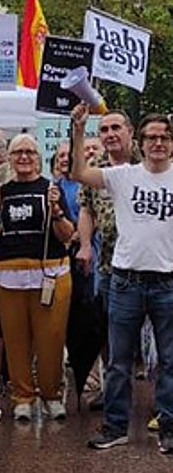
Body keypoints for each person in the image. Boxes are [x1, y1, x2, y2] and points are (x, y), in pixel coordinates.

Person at [72, 106, 173, 453]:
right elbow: (78, 172)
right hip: (125, 280)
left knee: (169, 359)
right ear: (141, 142)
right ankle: (115, 426)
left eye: (164, 137)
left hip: (168, 282)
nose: (158, 142)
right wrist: (80, 128)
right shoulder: (123, 175)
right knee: (118, 360)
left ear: (171, 144)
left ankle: (169, 427)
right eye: (152, 137)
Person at [0, 134, 75, 422]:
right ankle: (22, 395)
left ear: (38, 157)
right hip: (10, 274)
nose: (23, 157)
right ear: (9, 157)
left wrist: (57, 212)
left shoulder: (52, 189)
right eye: (17, 152)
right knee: (16, 338)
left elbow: (68, 234)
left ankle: (51, 394)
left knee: (51, 337)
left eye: (29, 152)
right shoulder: (3, 190)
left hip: (50, 272)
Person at [76, 111, 136, 408]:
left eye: (116, 127)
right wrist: (85, 244)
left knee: (159, 336)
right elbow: (86, 210)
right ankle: (113, 391)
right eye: (104, 129)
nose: (110, 134)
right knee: (111, 330)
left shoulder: (147, 164)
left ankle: (163, 401)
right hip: (109, 265)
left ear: (130, 131)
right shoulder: (94, 169)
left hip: (151, 266)